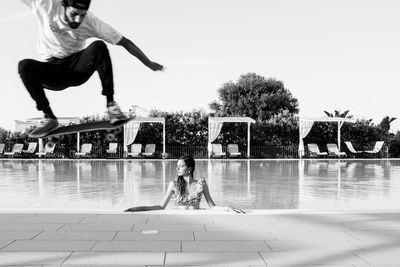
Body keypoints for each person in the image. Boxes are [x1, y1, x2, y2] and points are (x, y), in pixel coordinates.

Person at [18, 0, 164, 138]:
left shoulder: (91, 22)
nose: (77, 20)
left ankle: (111, 106)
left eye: (82, 15)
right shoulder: (46, 5)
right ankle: (49, 117)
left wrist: (149, 63)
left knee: (98, 46)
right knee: (24, 66)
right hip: (51, 73)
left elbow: (125, 42)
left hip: (77, 69)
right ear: (63, 5)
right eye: (74, 13)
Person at [124, 155, 245, 213]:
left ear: (189, 168)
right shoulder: (173, 184)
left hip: (198, 219)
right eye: (177, 166)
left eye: (181, 166)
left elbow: (212, 206)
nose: (178, 169)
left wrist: (227, 208)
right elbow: (161, 206)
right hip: (179, 219)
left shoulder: (201, 183)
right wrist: (140, 208)